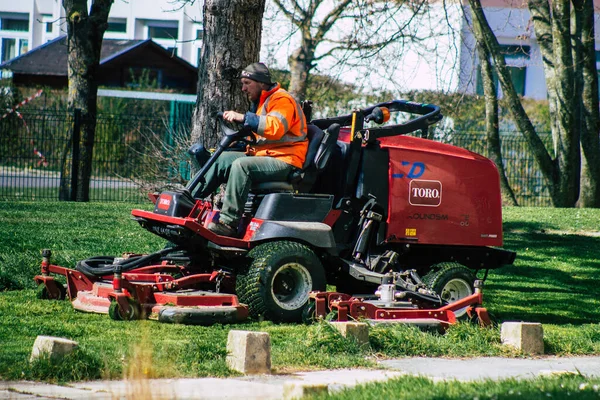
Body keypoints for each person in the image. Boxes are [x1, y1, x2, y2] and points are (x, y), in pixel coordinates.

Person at [193, 62, 308, 237]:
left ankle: (228, 223)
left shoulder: (281, 99)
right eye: (242, 84)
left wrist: (243, 117)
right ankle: (187, 200)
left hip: (286, 160)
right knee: (221, 159)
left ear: (262, 83)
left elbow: (275, 127)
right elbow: (262, 138)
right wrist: (240, 143)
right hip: (267, 155)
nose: (243, 89)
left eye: (247, 83)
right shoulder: (263, 102)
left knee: (242, 165)